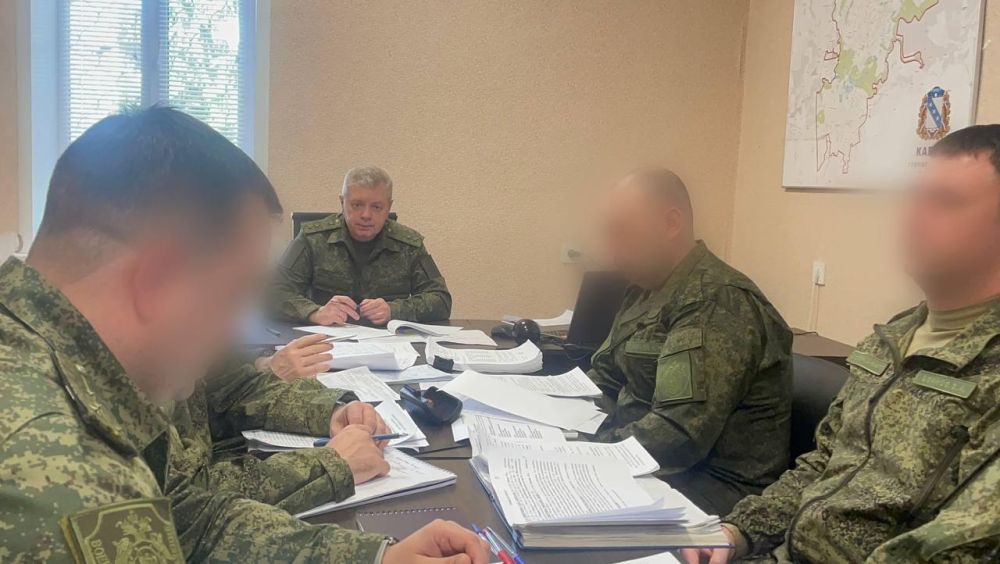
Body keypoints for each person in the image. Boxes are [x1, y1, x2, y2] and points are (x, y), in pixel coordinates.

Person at [0, 107, 487, 564]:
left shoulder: (80, 355)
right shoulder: (61, 475)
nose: (235, 329)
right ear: (158, 281)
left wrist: (376, 557)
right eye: (233, 296)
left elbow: (187, 519)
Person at [684, 125, 1000, 563]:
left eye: (946, 202)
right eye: (916, 196)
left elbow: (958, 546)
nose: (912, 216)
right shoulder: (893, 338)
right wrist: (736, 532)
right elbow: (824, 463)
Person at [588, 168, 793, 515]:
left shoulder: (716, 301)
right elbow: (605, 376)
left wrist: (587, 454)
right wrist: (553, 423)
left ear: (671, 224)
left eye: (624, 234)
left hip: (711, 492)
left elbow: (677, 436)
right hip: (645, 466)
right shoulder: (645, 289)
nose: (612, 254)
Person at [269, 166, 452, 326]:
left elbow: (441, 300)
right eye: (357, 205)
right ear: (342, 202)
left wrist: (394, 310)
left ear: (388, 207)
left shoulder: (409, 245)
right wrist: (315, 312)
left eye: (376, 207)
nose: (366, 215)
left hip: (390, 345)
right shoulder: (312, 239)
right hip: (326, 341)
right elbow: (273, 293)